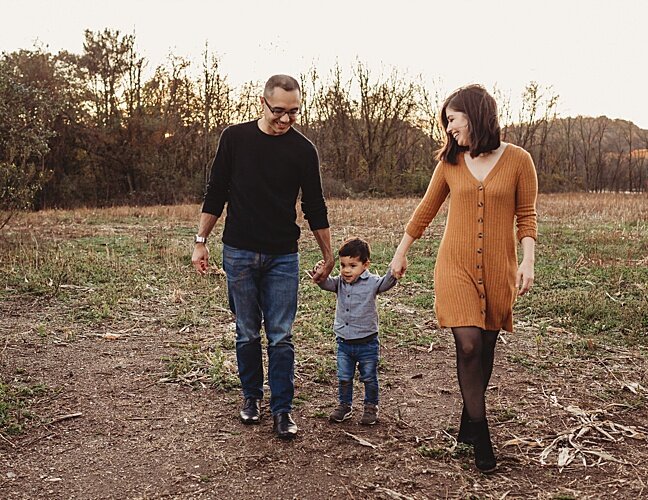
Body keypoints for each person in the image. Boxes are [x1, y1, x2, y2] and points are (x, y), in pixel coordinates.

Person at [389, 84, 538, 472]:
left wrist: (528, 261)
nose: (449, 129)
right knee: (469, 345)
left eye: (452, 120)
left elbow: (527, 215)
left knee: (485, 349)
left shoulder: (519, 160)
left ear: (473, 114)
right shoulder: (450, 162)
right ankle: (482, 434)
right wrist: (402, 251)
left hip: (498, 267)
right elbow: (427, 208)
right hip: (453, 265)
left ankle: (467, 422)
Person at [192, 74, 333, 440]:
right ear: (262, 103)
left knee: (282, 335)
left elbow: (315, 205)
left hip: (283, 257)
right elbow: (216, 192)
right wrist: (201, 240)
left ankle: (282, 410)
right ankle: (251, 398)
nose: (286, 119)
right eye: (279, 111)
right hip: (238, 252)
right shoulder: (234, 139)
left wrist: (328, 254)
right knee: (246, 332)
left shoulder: (304, 151)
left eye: (294, 112)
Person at [310, 237, 398, 425]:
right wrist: (320, 273)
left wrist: (396, 269)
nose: (346, 270)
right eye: (342, 265)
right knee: (344, 377)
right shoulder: (339, 283)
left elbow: (387, 283)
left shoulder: (373, 282)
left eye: (352, 265)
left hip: (367, 342)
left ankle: (370, 408)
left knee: (369, 377)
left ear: (365, 265)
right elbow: (324, 283)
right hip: (344, 342)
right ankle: (344, 406)